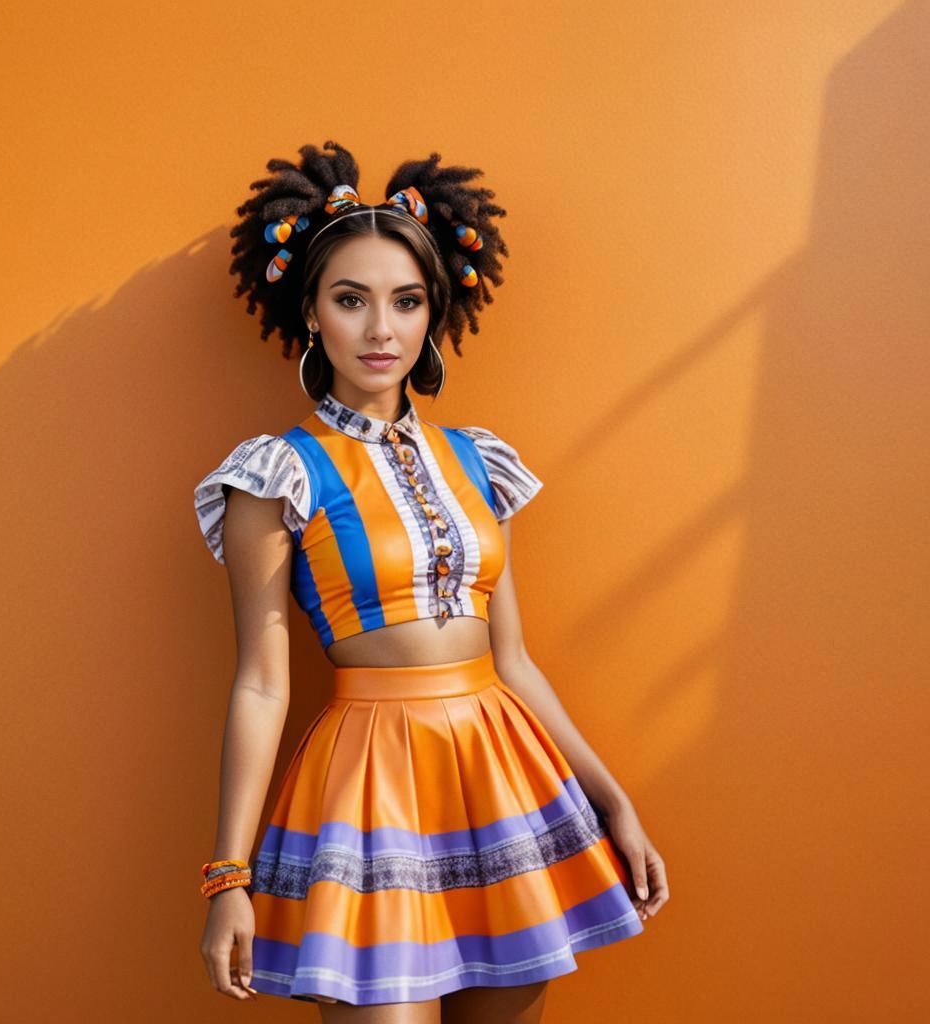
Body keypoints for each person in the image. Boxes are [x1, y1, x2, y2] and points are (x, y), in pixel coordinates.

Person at [193, 142, 669, 1020]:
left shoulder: (478, 461)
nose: (382, 330)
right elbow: (262, 683)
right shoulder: (275, 475)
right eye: (351, 300)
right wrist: (228, 875)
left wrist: (612, 798)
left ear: (434, 312)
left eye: (406, 302)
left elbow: (514, 660)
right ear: (311, 315)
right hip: (368, 786)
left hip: (504, 775)